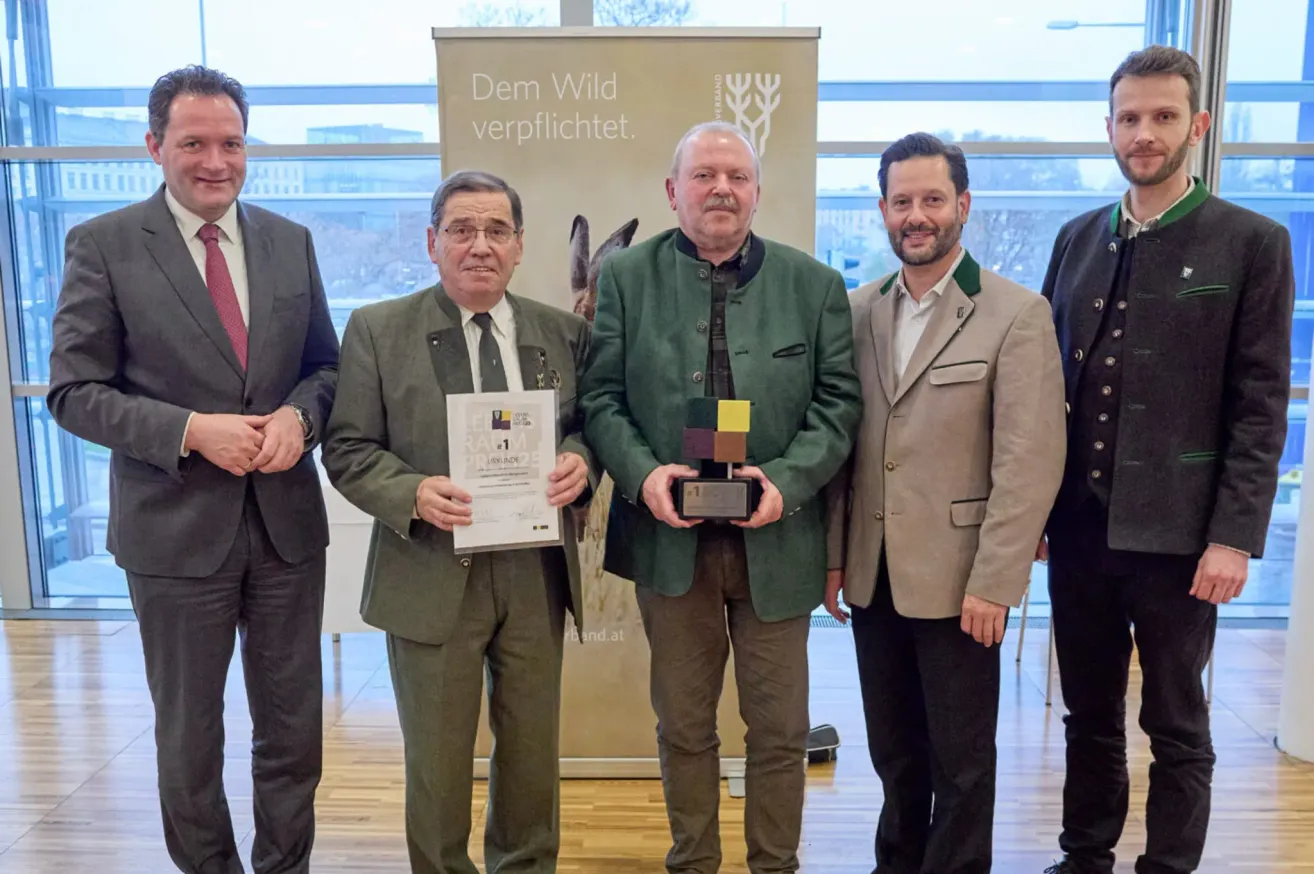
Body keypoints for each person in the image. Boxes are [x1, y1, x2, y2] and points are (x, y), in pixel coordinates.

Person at [46, 65, 339, 874]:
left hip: (284, 530)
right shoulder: (103, 245)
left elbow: (326, 368)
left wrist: (299, 418)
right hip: (173, 537)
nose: (217, 161)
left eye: (232, 143)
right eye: (194, 143)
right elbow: (73, 393)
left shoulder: (290, 241)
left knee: (293, 732)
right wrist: (188, 430)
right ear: (154, 147)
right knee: (189, 738)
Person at [579, 121, 863, 874]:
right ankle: (693, 862)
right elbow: (601, 399)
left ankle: (776, 865)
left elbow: (838, 407)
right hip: (670, 546)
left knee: (778, 730)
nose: (721, 189)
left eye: (736, 176)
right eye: (703, 176)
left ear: (758, 193)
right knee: (683, 724)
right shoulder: (626, 280)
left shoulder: (815, 286)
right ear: (674, 192)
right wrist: (645, 476)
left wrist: (788, 480)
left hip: (778, 542)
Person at [1040, 46, 1294, 874]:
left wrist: (1235, 536)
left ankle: (1169, 869)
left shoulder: (1253, 242)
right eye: (1129, 118)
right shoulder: (1077, 239)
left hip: (1184, 539)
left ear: (1199, 125)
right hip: (1079, 532)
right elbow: (1048, 393)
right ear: (1107, 127)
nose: (1143, 133)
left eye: (1162, 117)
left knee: (1178, 722)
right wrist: (1037, 518)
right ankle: (1085, 859)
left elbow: (1260, 404)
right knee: (1089, 713)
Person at [320, 169, 597, 874]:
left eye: (497, 230)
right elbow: (347, 448)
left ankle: (524, 865)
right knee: (438, 759)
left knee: (532, 752)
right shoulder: (379, 331)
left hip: (534, 574)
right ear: (431, 242)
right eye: (462, 230)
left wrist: (580, 460)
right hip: (429, 571)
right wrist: (412, 492)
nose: (480, 245)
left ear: (520, 244)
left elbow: (591, 428)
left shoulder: (562, 333)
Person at [823, 132, 1067, 874]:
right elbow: (845, 449)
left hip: (964, 583)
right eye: (902, 202)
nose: (917, 215)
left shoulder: (1016, 314)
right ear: (882, 210)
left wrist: (996, 580)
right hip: (874, 576)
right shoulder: (856, 310)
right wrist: (834, 560)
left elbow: (1028, 461)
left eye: (933, 199)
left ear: (963, 205)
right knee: (894, 752)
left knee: (962, 765)